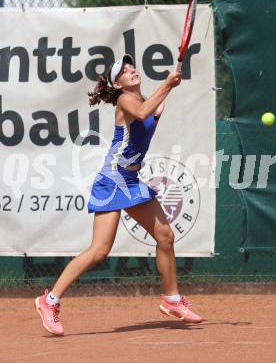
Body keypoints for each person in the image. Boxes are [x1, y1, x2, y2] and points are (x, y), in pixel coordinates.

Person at [34, 54, 203, 336]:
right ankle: (48, 300)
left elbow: (153, 109)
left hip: (131, 179)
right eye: (124, 71)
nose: (131, 70)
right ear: (117, 84)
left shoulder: (146, 99)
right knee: (99, 251)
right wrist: (169, 84)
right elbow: (141, 113)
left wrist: (171, 84)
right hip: (112, 180)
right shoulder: (125, 101)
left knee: (165, 236)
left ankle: (172, 299)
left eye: (131, 66)